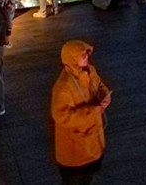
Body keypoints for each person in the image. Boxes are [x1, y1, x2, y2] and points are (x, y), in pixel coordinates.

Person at [51, 40, 111, 184]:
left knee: (87, 178)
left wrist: (105, 96)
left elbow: (100, 85)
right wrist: (93, 111)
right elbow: (62, 116)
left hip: (91, 141)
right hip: (75, 149)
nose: (85, 56)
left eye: (86, 53)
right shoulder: (64, 86)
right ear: (71, 58)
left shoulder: (90, 70)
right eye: (81, 54)